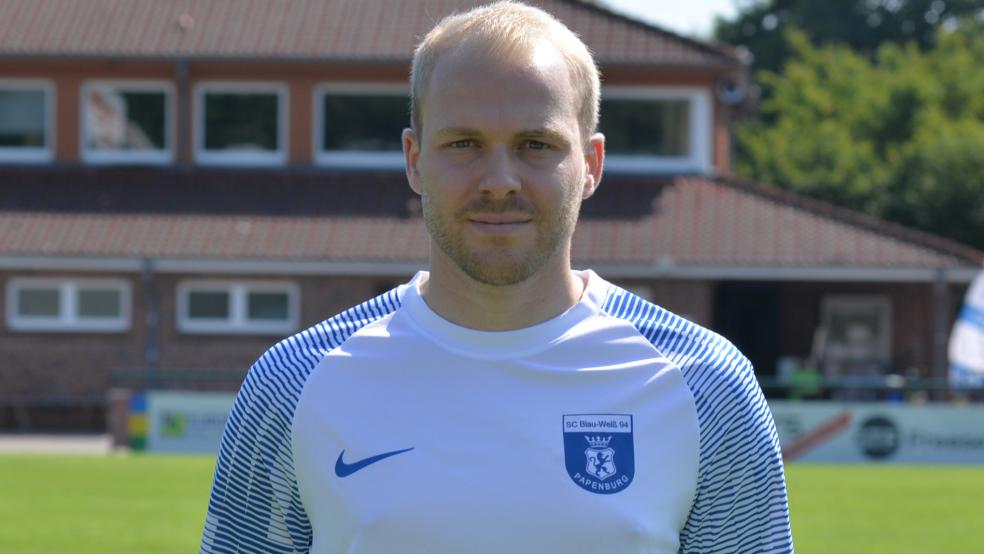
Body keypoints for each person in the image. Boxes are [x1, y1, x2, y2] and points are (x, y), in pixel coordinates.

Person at [200, 2, 793, 553]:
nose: (500, 180)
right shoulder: (293, 383)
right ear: (414, 160)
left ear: (590, 165)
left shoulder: (705, 386)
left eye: (536, 145)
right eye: (464, 144)